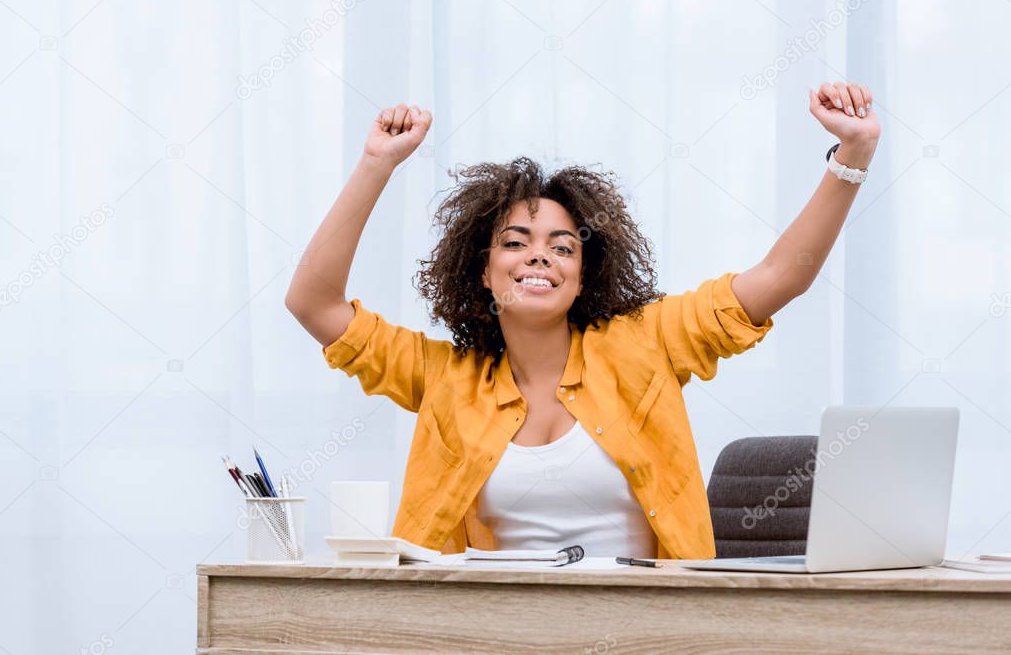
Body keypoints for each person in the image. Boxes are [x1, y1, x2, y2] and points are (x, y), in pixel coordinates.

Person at [286, 83, 880, 559]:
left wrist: (852, 155)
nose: (540, 256)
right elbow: (313, 302)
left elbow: (782, 275)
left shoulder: (649, 342)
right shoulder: (443, 378)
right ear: (484, 272)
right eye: (516, 243)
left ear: (583, 274)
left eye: (563, 247)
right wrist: (376, 164)